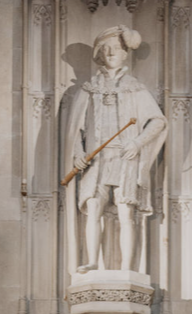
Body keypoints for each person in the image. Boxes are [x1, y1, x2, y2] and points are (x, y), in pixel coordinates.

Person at [64, 25, 167, 274]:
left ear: (124, 54)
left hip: (124, 157)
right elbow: (76, 129)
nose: (111, 53)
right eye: (106, 49)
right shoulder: (89, 89)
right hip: (95, 159)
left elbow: (158, 121)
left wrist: (137, 143)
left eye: (117, 49)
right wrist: (77, 153)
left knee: (125, 213)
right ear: (100, 53)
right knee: (93, 209)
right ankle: (92, 262)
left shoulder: (134, 88)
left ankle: (127, 268)